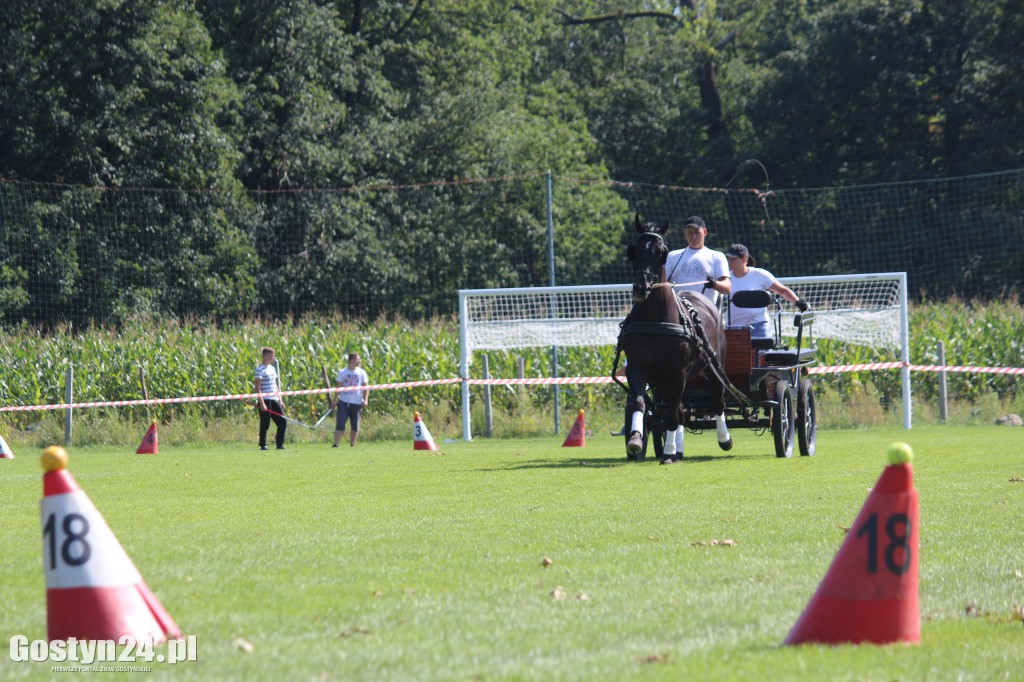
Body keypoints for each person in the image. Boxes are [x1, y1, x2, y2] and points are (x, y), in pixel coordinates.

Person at [725, 243, 809, 338]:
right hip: (732, 327)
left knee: (763, 353)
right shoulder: (725, 278)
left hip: (758, 326)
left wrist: (797, 302)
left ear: (744, 258)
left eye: (733, 258)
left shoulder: (760, 275)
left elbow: (783, 291)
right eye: (729, 258)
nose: (730, 262)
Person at [664, 216, 731, 304]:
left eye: (697, 232)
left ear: (705, 232)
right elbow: (662, 283)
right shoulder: (672, 255)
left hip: (705, 310)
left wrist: (714, 284)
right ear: (685, 233)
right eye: (689, 232)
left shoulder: (717, 256)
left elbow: (727, 287)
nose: (693, 236)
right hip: (679, 308)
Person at [332, 352, 369, 447]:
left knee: (355, 425)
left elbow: (366, 387)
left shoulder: (362, 372)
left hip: (356, 402)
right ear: (351, 360)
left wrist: (365, 400)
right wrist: (335, 399)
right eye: (357, 359)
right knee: (340, 424)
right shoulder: (342, 372)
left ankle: (352, 444)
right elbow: (338, 387)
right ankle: (336, 444)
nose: (359, 361)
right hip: (344, 402)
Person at [254, 346, 287, 450]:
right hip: (265, 399)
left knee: (282, 421)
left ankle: (279, 444)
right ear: (267, 356)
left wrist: (280, 399)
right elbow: (257, 387)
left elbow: (275, 385)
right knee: (265, 423)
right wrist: (262, 403)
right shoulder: (260, 370)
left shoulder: (272, 369)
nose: (274, 358)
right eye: (273, 356)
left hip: (274, 398)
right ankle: (262, 444)